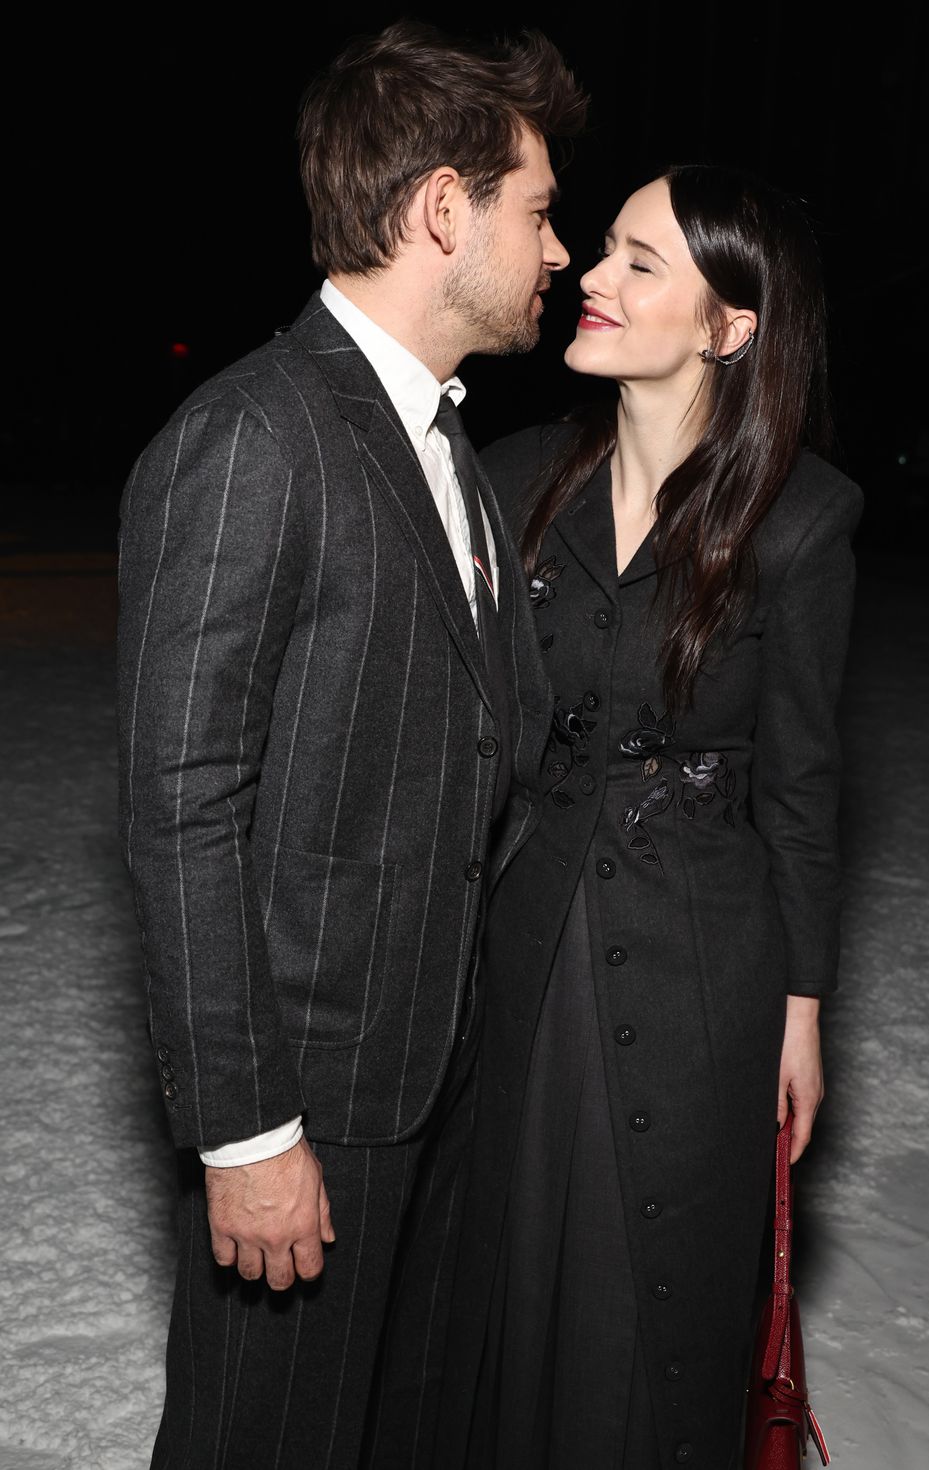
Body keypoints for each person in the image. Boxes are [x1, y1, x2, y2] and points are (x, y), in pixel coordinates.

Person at [116, 22, 584, 1470]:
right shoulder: (255, 435)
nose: (558, 251)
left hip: (437, 1085)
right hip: (310, 1108)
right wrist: (248, 1132)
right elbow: (181, 802)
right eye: (541, 209)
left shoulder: (457, 453)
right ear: (447, 208)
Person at [434, 165, 863, 1470]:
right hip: (520, 948)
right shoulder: (510, 480)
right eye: (604, 249)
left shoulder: (798, 520)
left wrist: (801, 1006)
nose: (593, 279)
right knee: (503, 1288)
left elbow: (803, 783)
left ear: (729, 326)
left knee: (652, 1296)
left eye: (638, 263)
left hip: (703, 970)